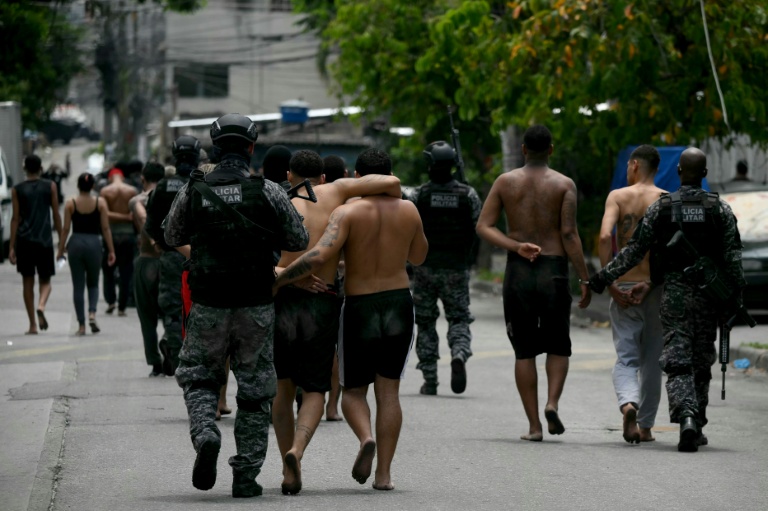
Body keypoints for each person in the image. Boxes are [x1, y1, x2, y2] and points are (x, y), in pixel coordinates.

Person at [163, 113, 309, 498]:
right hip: (255, 306)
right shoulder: (268, 190)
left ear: (214, 147)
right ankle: (245, 476)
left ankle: (206, 433)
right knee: (256, 392)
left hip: (209, 303)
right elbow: (299, 239)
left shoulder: (194, 189)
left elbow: (171, 233)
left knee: (199, 378)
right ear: (251, 147)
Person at [274, 148, 428, 491]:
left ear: (358, 177)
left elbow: (322, 254)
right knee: (389, 392)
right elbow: (419, 256)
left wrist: (282, 277)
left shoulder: (346, 212)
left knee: (353, 392)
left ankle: (365, 437)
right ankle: (384, 475)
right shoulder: (409, 209)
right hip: (399, 302)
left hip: (359, 305)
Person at [588, 147, 745, 453]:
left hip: (673, 297)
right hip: (708, 297)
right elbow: (733, 260)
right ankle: (696, 424)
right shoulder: (720, 209)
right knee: (701, 360)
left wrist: (601, 278)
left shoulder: (663, 208)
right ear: (705, 174)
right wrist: (734, 300)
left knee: (677, 360)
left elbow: (634, 251)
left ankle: (686, 418)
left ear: (678, 172)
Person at [475, 125, 591, 442]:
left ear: (523, 149)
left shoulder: (505, 182)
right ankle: (552, 403)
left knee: (524, 350)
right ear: (550, 149)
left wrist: (516, 246)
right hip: (553, 270)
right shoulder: (564, 184)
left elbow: (484, 226)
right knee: (558, 344)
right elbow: (569, 234)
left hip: (519, 271)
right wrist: (584, 277)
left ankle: (534, 426)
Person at [597, 145, 666, 443]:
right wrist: (651, 281)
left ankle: (628, 404)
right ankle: (646, 427)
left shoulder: (617, 196)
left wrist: (609, 280)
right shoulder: (666, 200)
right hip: (655, 287)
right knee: (653, 359)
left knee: (626, 357)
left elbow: (604, 236)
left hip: (624, 286)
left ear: (635, 164)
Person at [409, 141, 482, 395]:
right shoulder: (468, 194)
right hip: (456, 268)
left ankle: (430, 380)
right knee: (459, 318)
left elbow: (410, 230)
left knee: (426, 322)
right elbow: (478, 229)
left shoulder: (419, 195)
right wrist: (468, 260)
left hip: (425, 268)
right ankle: (459, 353)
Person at [145, 136, 201, 374]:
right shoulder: (203, 185)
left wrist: (161, 243)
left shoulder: (162, 187)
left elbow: (150, 224)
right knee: (202, 307)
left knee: (172, 309)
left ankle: (177, 358)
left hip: (170, 255)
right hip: (201, 258)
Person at [56, 173, 116, 335]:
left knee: (78, 286)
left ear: (78, 185)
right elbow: (105, 228)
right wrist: (111, 250)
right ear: (93, 186)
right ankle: (92, 313)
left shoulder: (71, 203)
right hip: (94, 244)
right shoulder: (100, 203)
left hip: (75, 243)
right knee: (93, 283)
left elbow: (66, 229)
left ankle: (81, 325)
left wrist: (60, 250)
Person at [9, 155, 63, 334]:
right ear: (41, 169)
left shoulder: (17, 190)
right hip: (44, 241)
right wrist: (61, 240)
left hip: (24, 242)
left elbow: (15, 219)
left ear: (25, 169)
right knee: (46, 281)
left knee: (27, 282)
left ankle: (32, 324)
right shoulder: (50, 186)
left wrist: (11, 246)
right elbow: (56, 214)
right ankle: (41, 305)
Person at [128, 162, 168, 376]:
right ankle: (171, 344)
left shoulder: (137, 201)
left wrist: (153, 239)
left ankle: (155, 361)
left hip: (146, 260)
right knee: (172, 310)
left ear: (142, 179)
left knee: (147, 316)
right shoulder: (173, 196)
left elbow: (143, 218)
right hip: (169, 260)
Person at [99, 167, 138, 316]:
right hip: (128, 234)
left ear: (110, 178)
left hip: (111, 234)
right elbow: (135, 215)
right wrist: (127, 218)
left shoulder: (105, 191)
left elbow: (104, 214)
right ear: (122, 177)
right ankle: (122, 307)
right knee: (126, 271)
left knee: (108, 269)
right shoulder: (132, 191)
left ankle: (111, 301)